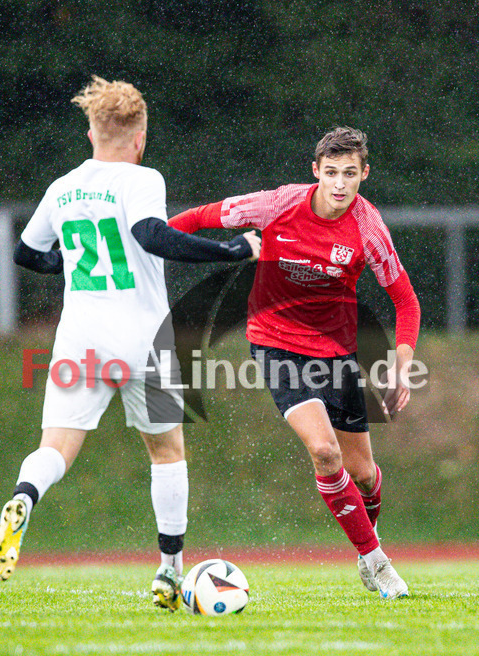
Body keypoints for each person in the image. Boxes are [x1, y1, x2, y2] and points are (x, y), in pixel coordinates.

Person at [0, 76, 260, 612]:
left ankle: (23, 498)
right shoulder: (142, 178)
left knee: (55, 448)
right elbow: (151, 235)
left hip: (81, 339)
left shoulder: (63, 187)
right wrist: (229, 251)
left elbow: (26, 253)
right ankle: (168, 572)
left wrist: (68, 262)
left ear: (91, 133)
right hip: (143, 339)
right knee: (166, 451)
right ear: (140, 137)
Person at [168, 126, 421, 598]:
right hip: (276, 345)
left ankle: (367, 544)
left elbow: (405, 301)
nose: (340, 184)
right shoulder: (278, 204)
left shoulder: (368, 228)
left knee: (364, 475)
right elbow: (201, 217)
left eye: (350, 173)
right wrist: (153, 244)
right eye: (331, 173)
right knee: (325, 452)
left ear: (365, 173)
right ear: (315, 171)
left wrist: (402, 364)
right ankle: (378, 562)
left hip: (336, 355)